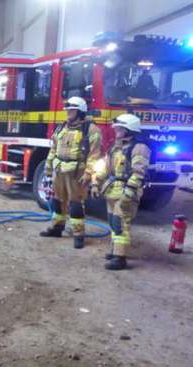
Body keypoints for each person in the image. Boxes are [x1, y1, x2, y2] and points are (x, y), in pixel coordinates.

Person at [40, 96, 102, 249]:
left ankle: (78, 234)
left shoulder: (91, 129)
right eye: (67, 110)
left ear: (80, 112)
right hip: (59, 169)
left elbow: (94, 154)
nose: (68, 113)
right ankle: (57, 228)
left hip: (77, 173)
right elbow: (53, 149)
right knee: (57, 201)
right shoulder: (62, 127)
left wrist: (88, 173)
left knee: (75, 204)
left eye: (72, 110)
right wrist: (48, 167)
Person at [91, 114, 150, 270]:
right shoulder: (115, 147)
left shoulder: (139, 148)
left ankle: (120, 258)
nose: (116, 130)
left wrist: (129, 193)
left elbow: (139, 173)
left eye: (120, 128)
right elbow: (104, 167)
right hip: (112, 191)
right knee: (113, 221)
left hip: (126, 192)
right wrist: (96, 183)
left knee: (120, 223)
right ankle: (115, 250)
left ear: (129, 130)